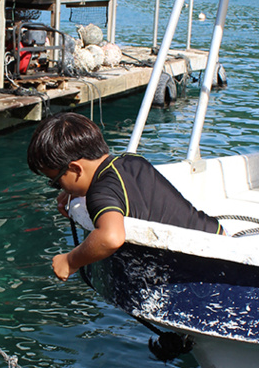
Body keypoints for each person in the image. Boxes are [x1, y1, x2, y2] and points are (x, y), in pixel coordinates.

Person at [27, 113, 221, 281]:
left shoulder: (100, 192)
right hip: (216, 234)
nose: (58, 187)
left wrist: (70, 261)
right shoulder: (130, 161)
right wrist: (72, 191)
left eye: (56, 182)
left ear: (76, 169)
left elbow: (111, 237)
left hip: (205, 260)